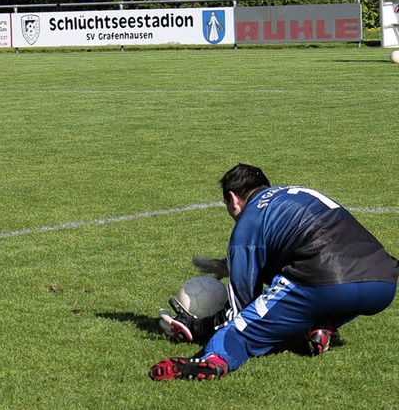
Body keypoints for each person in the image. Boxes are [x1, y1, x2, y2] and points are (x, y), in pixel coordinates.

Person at [150, 163, 399, 381]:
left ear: (233, 198)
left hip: (321, 281)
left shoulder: (247, 224)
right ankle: (324, 324)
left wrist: (198, 327)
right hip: (383, 282)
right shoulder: (299, 193)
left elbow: (239, 309)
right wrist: (229, 264)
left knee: (239, 329)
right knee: (335, 291)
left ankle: (215, 360)